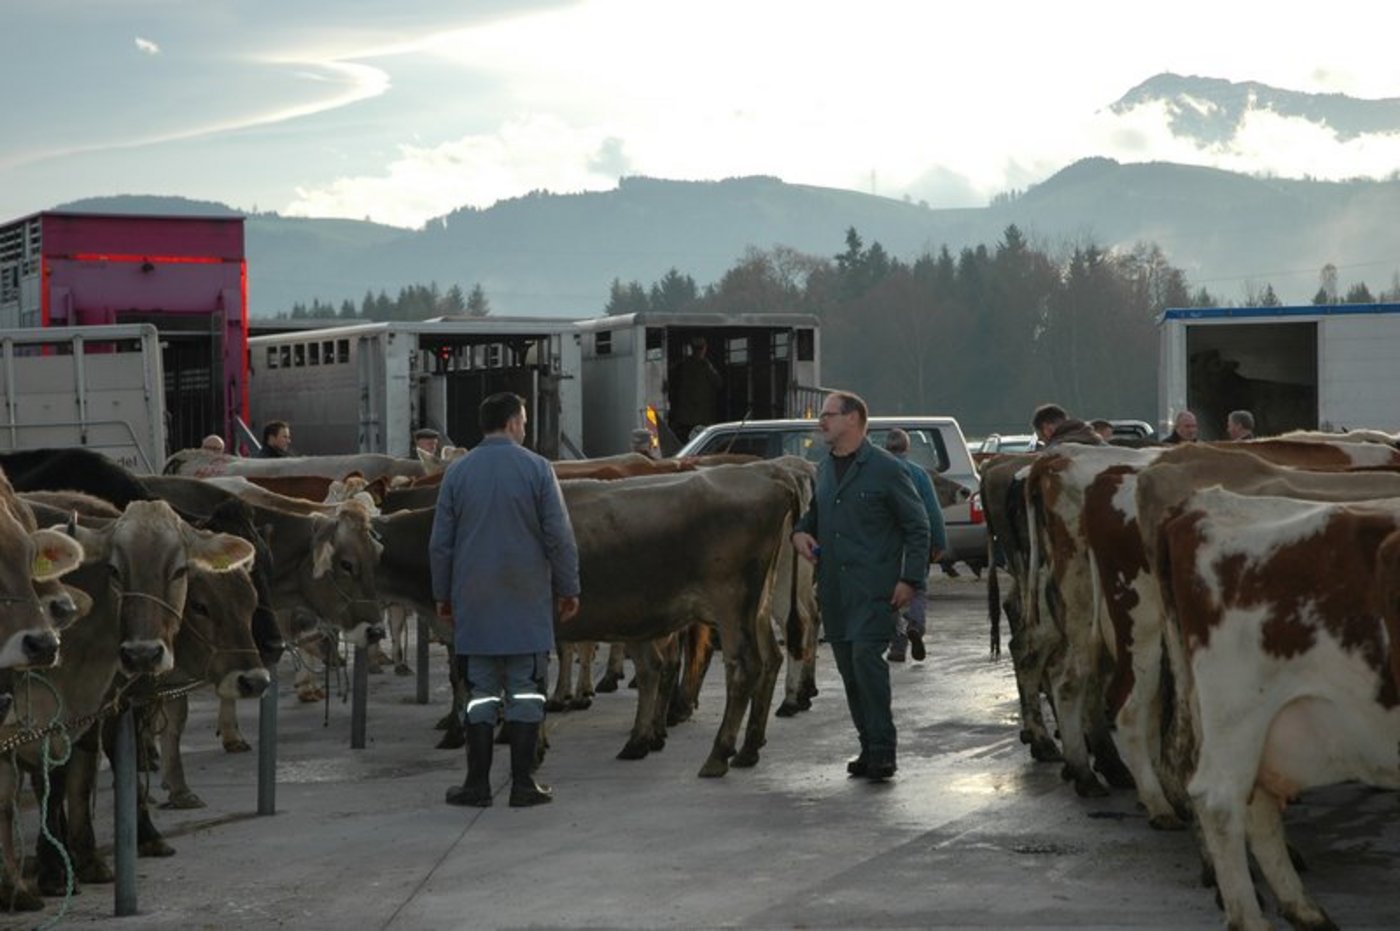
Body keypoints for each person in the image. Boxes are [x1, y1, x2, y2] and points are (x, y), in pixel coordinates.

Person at [430, 392, 581, 808]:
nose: (525, 428)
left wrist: (443, 596)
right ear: (514, 422)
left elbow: (440, 545)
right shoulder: (537, 469)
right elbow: (559, 536)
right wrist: (569, 587)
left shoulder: (457, 474)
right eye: (525, 421)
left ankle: (476, 784)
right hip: (525, 600)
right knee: (526, 691)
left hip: (475, 602)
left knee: (480, 692)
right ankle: (523, 783)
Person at [791, 391, 929, 781]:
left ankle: (883, 751)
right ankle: (868, 748)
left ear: (853, 419)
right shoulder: (824, 469)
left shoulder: (886, 469)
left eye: (829, 415)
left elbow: (918, 527)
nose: (821, 422)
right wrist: (799, 534)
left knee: (867, 665)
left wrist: (910, 579)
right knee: (849, 672)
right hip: (834, 590)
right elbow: (814, 515)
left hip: (874, 588)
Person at [883, 428, 947, 664]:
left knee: (890, 592)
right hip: (916, 542)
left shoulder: (878, 472)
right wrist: (939, 542)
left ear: (886, 448)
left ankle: (898, 644)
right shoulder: (919, 474)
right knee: (917, 586)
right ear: (907, 448)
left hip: (887, 543)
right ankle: (915, 625)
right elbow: (932, 511)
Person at [666, 336, 723, 444]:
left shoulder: (683, 365)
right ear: (705, 349)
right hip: (699, 416)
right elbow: (718, 383)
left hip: (688, 415)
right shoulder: (705, 365)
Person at [1030, 403, 1104, 448]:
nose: (1043, 440)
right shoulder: (1097, 440)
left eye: (1042, 436)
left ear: (1047, 428)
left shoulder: (1056, 452)